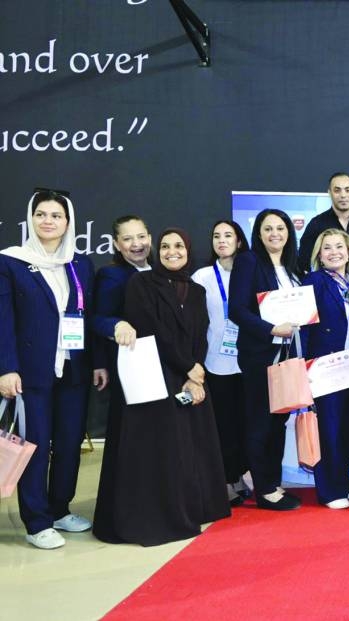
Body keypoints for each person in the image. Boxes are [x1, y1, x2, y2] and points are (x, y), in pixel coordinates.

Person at [98, 228, 230, 546]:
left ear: (188, 250)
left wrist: (195, 372)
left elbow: (201, 333)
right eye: (166, 246)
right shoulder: (141, 283)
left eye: (179, 246)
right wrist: (187, 367)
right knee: (160, 453)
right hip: (155, 380)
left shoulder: (196, 290)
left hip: (188, 378)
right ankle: (159, 517)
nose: (173, 251)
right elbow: (150, 329)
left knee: (188, 449)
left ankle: (192, 508)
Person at [0, 189, 96, 550]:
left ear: (68, 222)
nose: (48, 221)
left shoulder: (79, 264)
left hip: (73, 369)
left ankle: (59, 509)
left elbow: (88, 316)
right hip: (30, 372)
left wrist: (97, 364)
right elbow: (3, 320)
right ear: (30, 218)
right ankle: (36, 521)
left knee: (69, 444)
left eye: (56, 215)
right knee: (35, 446)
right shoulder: (11, 261)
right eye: (41, 214)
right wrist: (6, 368)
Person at [229, 209, 303, 511]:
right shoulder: (248, 261)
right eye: (268, 228)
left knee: (278, 421)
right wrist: (271, 329)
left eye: (280, 228)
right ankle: (264, 489)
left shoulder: (292, 266)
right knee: (260, 422)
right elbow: (237, 310)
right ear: (258, 233)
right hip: (260, 356)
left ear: (289, 233)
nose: (275, 234)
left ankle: (273, 483)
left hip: (287, 356)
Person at [91, 214, 153, 542]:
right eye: (128, 239)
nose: (136, 244)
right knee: (128, 441)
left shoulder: (160, 271)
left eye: (141, 236)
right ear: (117, 244)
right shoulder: (112, 275)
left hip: (162, 370)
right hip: (131, 368)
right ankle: (124, 510)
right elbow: (97, 318)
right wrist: (116, 326)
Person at [301, 229, 349, 509]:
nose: (334, 252)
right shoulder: (314, 281)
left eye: (339, 246)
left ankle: (344, 482)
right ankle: (331, 490)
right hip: (325, 367)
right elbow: (304, 327)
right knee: (330, 429)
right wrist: (304, 370)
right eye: (327, 248)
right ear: (319, 255)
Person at [191, 220, 252, 507]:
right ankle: (225, 480)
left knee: (244, 424)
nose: (222, 240)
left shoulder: (250, 272)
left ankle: (239, 475)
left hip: (248, 360)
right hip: (215, 361)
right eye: (217, 236)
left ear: (239, 241)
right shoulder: (202, 276)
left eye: (228, 235)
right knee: (223, 424)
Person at [296, 172, 349, 276]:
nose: (343, 195)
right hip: (327, 285)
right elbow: (303, 262)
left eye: (348, 190)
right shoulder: (316, 224)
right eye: (337, 190)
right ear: (329, 193)